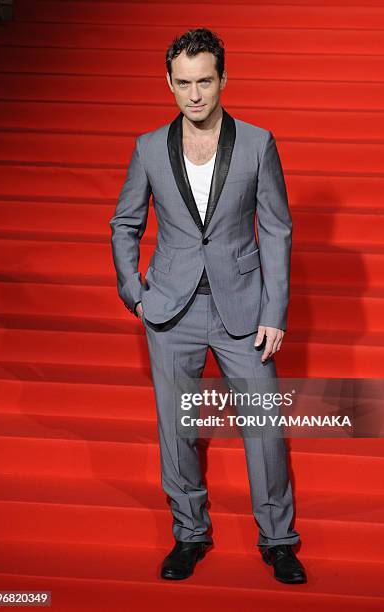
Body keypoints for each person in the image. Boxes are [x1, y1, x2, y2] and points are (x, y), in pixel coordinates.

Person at [109, 27, 306, 585]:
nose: (195, 95)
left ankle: (278, 541)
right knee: (179, 429)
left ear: (223, 79)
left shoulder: (258, 142)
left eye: (205, 82)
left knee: (264, 425)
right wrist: (136, 293)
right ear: (168, 83)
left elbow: (276, 229)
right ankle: (189, 533)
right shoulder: (148, 147)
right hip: (170, 311)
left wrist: (275, 311)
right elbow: (126, 222)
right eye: (183, 83)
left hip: (242, 309)